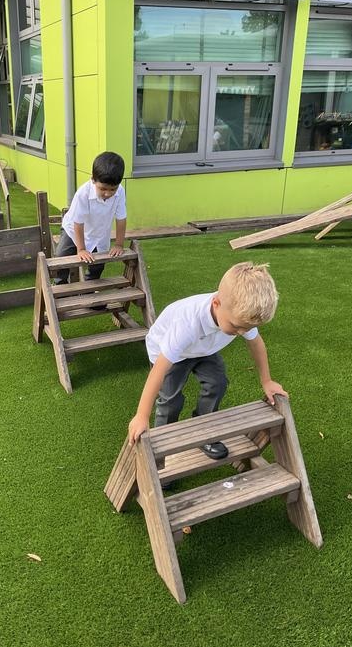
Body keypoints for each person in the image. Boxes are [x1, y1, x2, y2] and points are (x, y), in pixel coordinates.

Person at [127, 262, 288, 459]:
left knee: (217, 383)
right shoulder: (187, 324)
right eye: (236, 327)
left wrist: (267, 381)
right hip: (168, 352)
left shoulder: (240, 316)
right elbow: (159, 370)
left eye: (246, 328)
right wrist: (142, 415)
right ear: (216, 304)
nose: (241, 333)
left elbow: (257, 344)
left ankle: (204, 431)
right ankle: (161, 448)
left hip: (203, 348)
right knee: (171, 399)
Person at [54, 151, 127, 285]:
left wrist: (119, 244)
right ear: (93, 180)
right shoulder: (83, 193)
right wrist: (81, 249)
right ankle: (60, 285)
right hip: (73, 230)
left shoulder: (121, 191)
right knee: (61, 257)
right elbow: (78, 223)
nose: (107, 193)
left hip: (99, 232)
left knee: (98, 263)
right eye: (103, 189)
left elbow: (121, 219)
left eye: (112, 190)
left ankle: (90, 288)